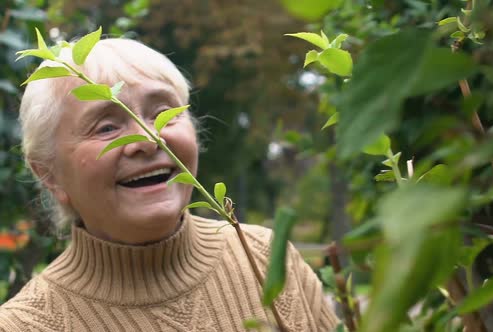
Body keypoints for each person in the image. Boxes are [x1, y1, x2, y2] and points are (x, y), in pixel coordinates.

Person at [0, 37, 339, 331]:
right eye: (106, 127)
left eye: (163, 112)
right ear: (49, 174)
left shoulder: (265, 258)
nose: (150, 140)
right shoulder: (26, 325)